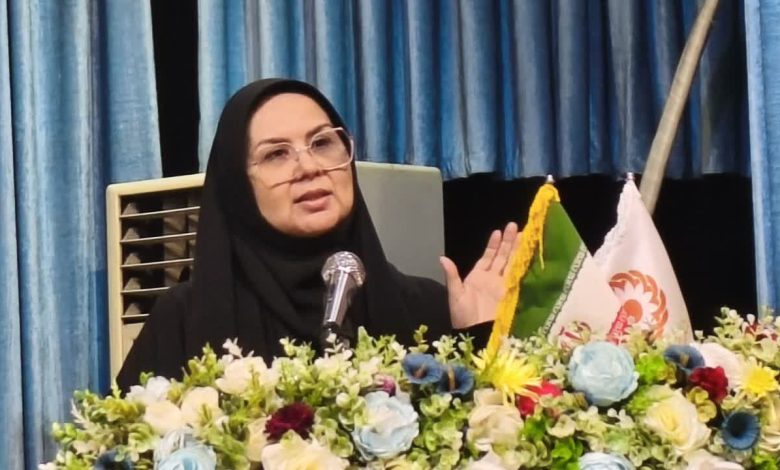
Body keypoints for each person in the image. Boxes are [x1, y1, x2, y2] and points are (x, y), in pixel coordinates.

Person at [117, 78, 518, 390]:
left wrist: (484, 336)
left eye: (323, 143)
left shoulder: (425, 310)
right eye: (276, 154)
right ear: (238, 185)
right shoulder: (184, 321)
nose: (310, 168)